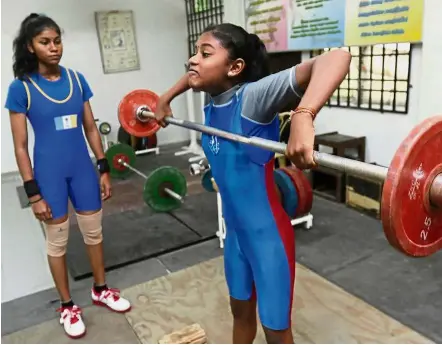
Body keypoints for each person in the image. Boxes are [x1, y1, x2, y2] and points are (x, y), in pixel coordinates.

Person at [154, 23, 351, 344]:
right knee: (240, 314)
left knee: (275, 329)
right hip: (235, 238)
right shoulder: (212, 98)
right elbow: (194, 76)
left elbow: (337, 58)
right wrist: (166, 96)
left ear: (235, 67)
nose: (193, 60)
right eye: (194, 52)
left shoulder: (253, 98)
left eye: (205, 54)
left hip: (267, 239)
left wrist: (303, 114)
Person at [4, 13, 131, 339]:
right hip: (49, 174)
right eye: (45, 42)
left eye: (57, 41)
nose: (54, 48)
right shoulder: (21, 89)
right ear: (30, 47)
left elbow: (91, 128)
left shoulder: (76, 80)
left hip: (82, 169)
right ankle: (66, 305)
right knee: (57, 241)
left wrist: (103, 167)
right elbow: (20, 147)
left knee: (93, 231)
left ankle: (100, 289)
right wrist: (33, 193)